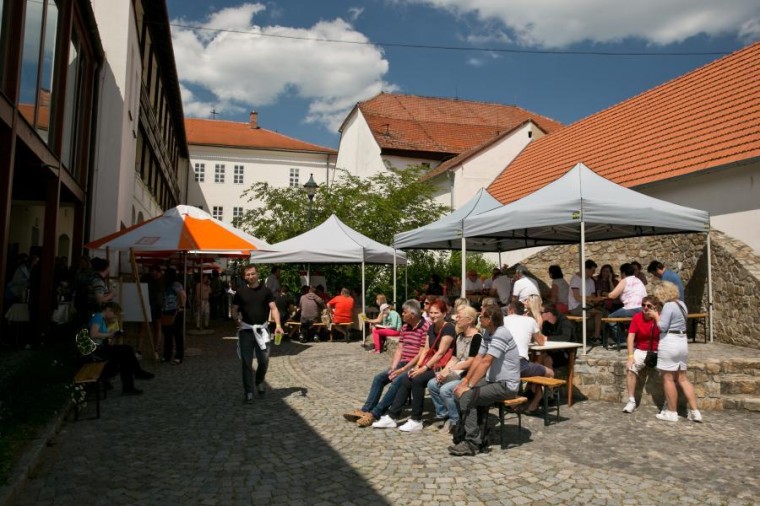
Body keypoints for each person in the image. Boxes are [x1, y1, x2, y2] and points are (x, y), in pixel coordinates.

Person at [372, 299, 456, 432]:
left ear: (444, 314)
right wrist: (418, 366)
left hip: (444, 367)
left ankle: (416, 419)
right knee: (408, 377)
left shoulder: (449, 328)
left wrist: (423, 368)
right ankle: (392, 416)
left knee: (416, 379)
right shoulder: (431, 327)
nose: (433, 315)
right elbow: (426, 349)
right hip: (431, 364)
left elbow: (440, 353)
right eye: (431, 312)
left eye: (436, 313)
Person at [344, 300, 429, 427]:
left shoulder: (425, 327)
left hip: (415, 365)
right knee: (379, 378)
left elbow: (421, 353)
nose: (402, 314)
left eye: (404, 312)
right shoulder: (405, 327)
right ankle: (366, 410)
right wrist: (393, 367)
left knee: (397, 382)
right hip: (403, 363)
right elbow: (400, 349)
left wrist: (403, 369)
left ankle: (375, 414)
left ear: (412, 314)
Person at [450, 304, 521, 456]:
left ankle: (472, 443)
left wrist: (469, 386)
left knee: (467, 396)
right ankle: (479, 433)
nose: (479, 318)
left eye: (482, 316)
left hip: (506, 385)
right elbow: (478, 359)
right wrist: (465, 382)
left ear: (490, 319)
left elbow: (486, 362)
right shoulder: (488, 333)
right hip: (492, 381)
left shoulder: (501, 333)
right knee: (457, 390)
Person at [650, 281, 701, 422]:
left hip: (670, 342)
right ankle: (695, 411)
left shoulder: (669, 306)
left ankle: (672, 412)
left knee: (668, 378)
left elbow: (663, 326)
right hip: (682, 341)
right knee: (682, 378)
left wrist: (655, 316)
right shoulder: (681, 304)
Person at [231, 264, 283, 402]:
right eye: (247, 275)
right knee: (246, 363)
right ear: (244, 277)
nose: (250, 277)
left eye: (253, 274)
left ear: (257, 274)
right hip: (246, 331)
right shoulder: (240, 292)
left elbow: (274, 308)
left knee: (264, 360)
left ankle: (259, 381)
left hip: (262, 330)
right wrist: (237, 319)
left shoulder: (266, 291)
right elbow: (234, 310)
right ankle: (248, 392)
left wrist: (278, 325)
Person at [428, 305, 482, 434]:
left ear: (469, 320)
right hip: (457, 372)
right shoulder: (459, 336)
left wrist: (450, 371)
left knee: (446, 390)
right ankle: (444, 415)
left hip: (469, 376)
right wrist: (443, 372)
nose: (456, 319)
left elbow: (471, 362)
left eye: (459, 317)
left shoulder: (477, 337)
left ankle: (455, 421)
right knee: (432, 384)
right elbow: (454, 358)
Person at [88, 302, 154, 395]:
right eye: (114, 313)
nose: (113, 316)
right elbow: (93, 334)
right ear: (108, 309)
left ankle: (130, 384)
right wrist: (110, 334)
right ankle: (135, 376)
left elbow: (102, 336)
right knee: (126, 351)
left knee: (126, 354)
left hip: (101, 348)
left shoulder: (101, 319)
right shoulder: (98, 317)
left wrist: (113, 335)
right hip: (97, 350)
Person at [504, 301, 553, 412]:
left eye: (507, 310)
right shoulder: (530, 321)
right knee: (550, 373)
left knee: (534, 368)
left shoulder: (503, 320)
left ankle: (527, 392)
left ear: (511, 310)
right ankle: (534, 404)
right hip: (519, 364)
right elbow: (541, 342)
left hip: (501, 363)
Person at [622, 296, 661, 413]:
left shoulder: (660, 318)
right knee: (630, 368)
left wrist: (657, 317)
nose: (645, 308)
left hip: (658, 350)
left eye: (649, 306)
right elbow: (631, 336)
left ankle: (666, 403)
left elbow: (665, 332)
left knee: (667, 373)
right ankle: (631, 401)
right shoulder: (637, 317)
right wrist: (630, 356)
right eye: (643, 305)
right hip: (641, 350)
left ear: (655, 307)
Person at [605, 263, 648, 343]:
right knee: (626, 319)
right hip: (643, 308)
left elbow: (612, 295)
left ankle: (621, 340)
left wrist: (605, 294)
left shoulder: (624, 281)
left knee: (610, 318)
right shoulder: (638, 280)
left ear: (623, 273)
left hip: (631, 308)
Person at [568, 259, 604, 342]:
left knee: (605, 312)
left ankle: (597, 335)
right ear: (586, 269)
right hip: (575, 307)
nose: (593, 273)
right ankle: (596, 336)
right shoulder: (576, 279)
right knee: (599, 312)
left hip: (586, 305)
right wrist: (593, 299)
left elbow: (591, 298)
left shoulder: (591, 281)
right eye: (592, 270)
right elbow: (577, 297)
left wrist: (597, 300)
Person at [161, 268, 187, 364]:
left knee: (176, 334)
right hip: (167, 311)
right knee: (167, 335)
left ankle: (178, 356)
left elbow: (183, 295)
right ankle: (167, 355)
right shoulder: (167, 285)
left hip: (175, 311)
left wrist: (181, 307)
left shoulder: (176, 285)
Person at [540, 302, 576, 369]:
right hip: (552, 351)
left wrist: (546, 338)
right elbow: (542, 336)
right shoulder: (546, 324)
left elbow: (565, 338)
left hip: (566, 352)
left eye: (541, 313)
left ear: (549, 314)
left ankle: (549, 379)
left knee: (548, 360)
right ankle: (538, 379)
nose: (539, 315)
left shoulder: (565, 322)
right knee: (538, 357)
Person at [146, 265, 165, 358]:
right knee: (154, 327)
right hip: (152, 305)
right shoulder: (151, 280)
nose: (154, 276)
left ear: (159, 272)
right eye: (152, 274)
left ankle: (156, 348)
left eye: (155, 274)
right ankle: (155, 346)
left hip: (159, 306)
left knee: (158, 327)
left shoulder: (163, 281)